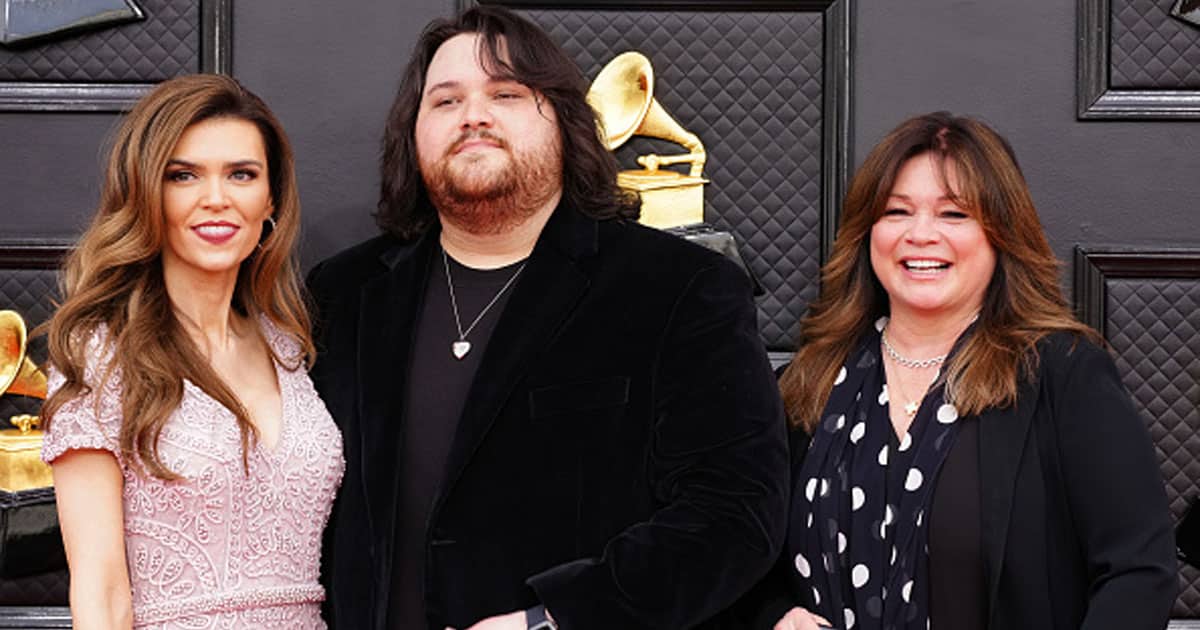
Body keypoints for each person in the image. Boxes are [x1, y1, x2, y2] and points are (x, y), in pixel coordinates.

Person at [307, 6, 789, 630]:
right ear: (415, 133)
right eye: (445, 101)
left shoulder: (682, 288)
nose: (474, 114)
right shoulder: (343, 294)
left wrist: (553, 620)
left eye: (506, 93)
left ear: (564, 121)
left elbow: (736, 513)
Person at [746, 112, 1177, 630]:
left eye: (954, 214)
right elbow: (743, 559)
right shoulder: (808, 381)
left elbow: (1138, 571)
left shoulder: (1063, 373)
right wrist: (773, 616)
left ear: (1001, 234)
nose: (920, 235)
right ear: (867, 233)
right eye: (896, 212)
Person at [40, 74, 344, 629]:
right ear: (147, 193)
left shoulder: (287, 345)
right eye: (183, 175)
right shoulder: (99, 356)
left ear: (271, 198)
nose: (217, 199)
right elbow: (101, 591)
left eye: (241, 175)